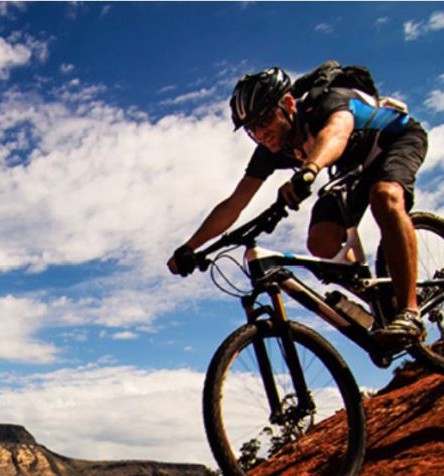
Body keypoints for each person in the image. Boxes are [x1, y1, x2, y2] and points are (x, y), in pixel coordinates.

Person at [167, 66, 429, 346]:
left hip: (392, 141)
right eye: (252, 128)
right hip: (349, 168)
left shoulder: (326, 103)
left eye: (265, 119)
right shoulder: (270, 151)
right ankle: (380, 299)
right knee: (321, 243)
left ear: (289, 104)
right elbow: (235, 203)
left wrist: (309, 169)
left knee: (384, 195)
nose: (261, 132)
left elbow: (336, 134)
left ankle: (409, 310)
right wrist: (190, 248)